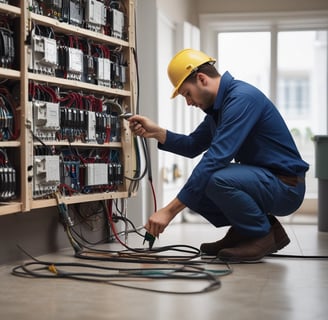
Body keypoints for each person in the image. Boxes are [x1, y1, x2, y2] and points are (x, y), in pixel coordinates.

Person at [128, 48, 309, 262]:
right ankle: (245, 230)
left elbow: (215, 158)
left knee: (213, 178)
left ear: (202, 79)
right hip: (265, 181)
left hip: (286, 186)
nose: (188, 102)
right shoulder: (219, 109)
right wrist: (156, 132)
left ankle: (262, 235)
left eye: (187, 93)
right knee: (201, 184)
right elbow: (193, 145)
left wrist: (169, 211)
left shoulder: (242, 99)